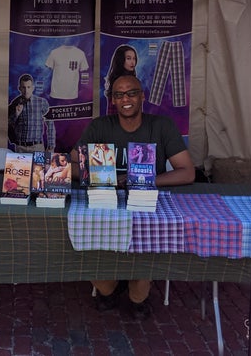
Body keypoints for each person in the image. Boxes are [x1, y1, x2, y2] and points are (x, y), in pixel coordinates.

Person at [72, 75, 195, 319]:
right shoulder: (99, 126)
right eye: (119, 94)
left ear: (142, 96)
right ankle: (110, 290)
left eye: (131, 93)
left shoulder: (161, 126)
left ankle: (137, 297)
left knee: (146, 249)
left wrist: (139, 180)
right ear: (113, 101)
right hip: (104, 203)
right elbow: (73, 163)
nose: (125, 99)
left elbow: (188, 172)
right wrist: (100, 177)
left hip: (145, 204)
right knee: (81, 239)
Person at [8, 73, 55, 153]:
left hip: (37, 147)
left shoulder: (42, 102)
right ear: (19, 88)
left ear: (33, 88)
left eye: (28, 87)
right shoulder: (15, 103)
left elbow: (50, 124)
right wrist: (16, 114)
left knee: (39, 166)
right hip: (20, 148)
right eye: (23, 87)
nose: (26, 90)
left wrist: (51, 146)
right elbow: (8, 124)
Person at [104, 44, 138, 113]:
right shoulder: (118, 82)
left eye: (134, 58)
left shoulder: (132, 80)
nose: (132, 62)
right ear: (120, 60)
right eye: (128, 58)